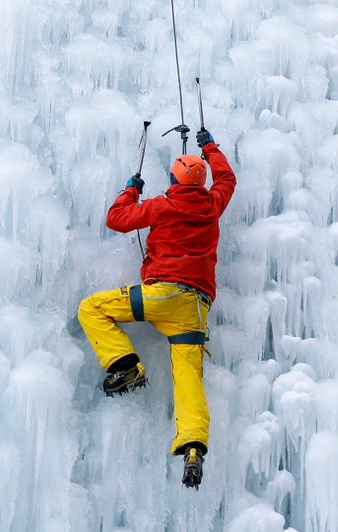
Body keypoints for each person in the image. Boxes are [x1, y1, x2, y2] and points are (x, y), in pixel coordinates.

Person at [77, 127, 236, 489]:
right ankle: (193, 446)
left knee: (91, 308)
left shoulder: (163, 205)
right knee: (189, 380)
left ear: (173, 179)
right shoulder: (213, 204)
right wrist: (210, 147)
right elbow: (226, 178)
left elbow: (117, 220)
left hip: (161, 295)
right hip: (195, 308)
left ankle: (126, 366)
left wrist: (130, 189)